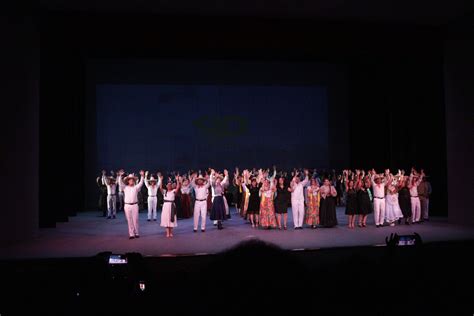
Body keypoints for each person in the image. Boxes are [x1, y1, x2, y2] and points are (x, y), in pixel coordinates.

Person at [117, 170, 145, 239]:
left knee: (135, 219)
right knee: (129, 220)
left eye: (132, 180)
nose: (131, 181)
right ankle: (131, 234)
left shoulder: (136, 187)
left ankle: (136, 233)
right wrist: (120, 176)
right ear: (128, 181)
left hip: (135, 205)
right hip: (127, 205)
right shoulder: (125, 187)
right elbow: (120, 183)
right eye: (130, 180)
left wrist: (142, 176)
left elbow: (141, 183)